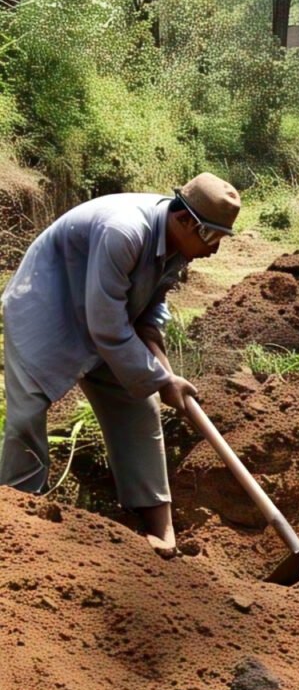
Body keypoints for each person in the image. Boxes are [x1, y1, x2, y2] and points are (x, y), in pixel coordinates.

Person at [0, 173, 241, 556]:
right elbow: (108, 328)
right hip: (47, 308)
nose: (214, 250)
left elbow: (147, 314)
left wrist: (166, 374)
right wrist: (160, 378)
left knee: (139, 412)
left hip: (106, 317)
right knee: (27, 414)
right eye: (211, 237)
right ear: (184, 220)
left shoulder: (177, 245)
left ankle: (162, 529)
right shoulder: (124, 231)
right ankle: (14, 519)